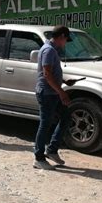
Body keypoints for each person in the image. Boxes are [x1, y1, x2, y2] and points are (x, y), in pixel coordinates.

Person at [33, 25, 77, 170]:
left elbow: (51, 73)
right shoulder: (48, 50)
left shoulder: (51, 50)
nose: (65, 43)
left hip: (52, 92)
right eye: (66, 40)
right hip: (47, 93)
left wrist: (64, 81)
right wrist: (62, 92)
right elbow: (46, 74)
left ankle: (52, 150)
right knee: (45, 124)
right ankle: (39, 158)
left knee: (66, 117)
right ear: (62, 37)